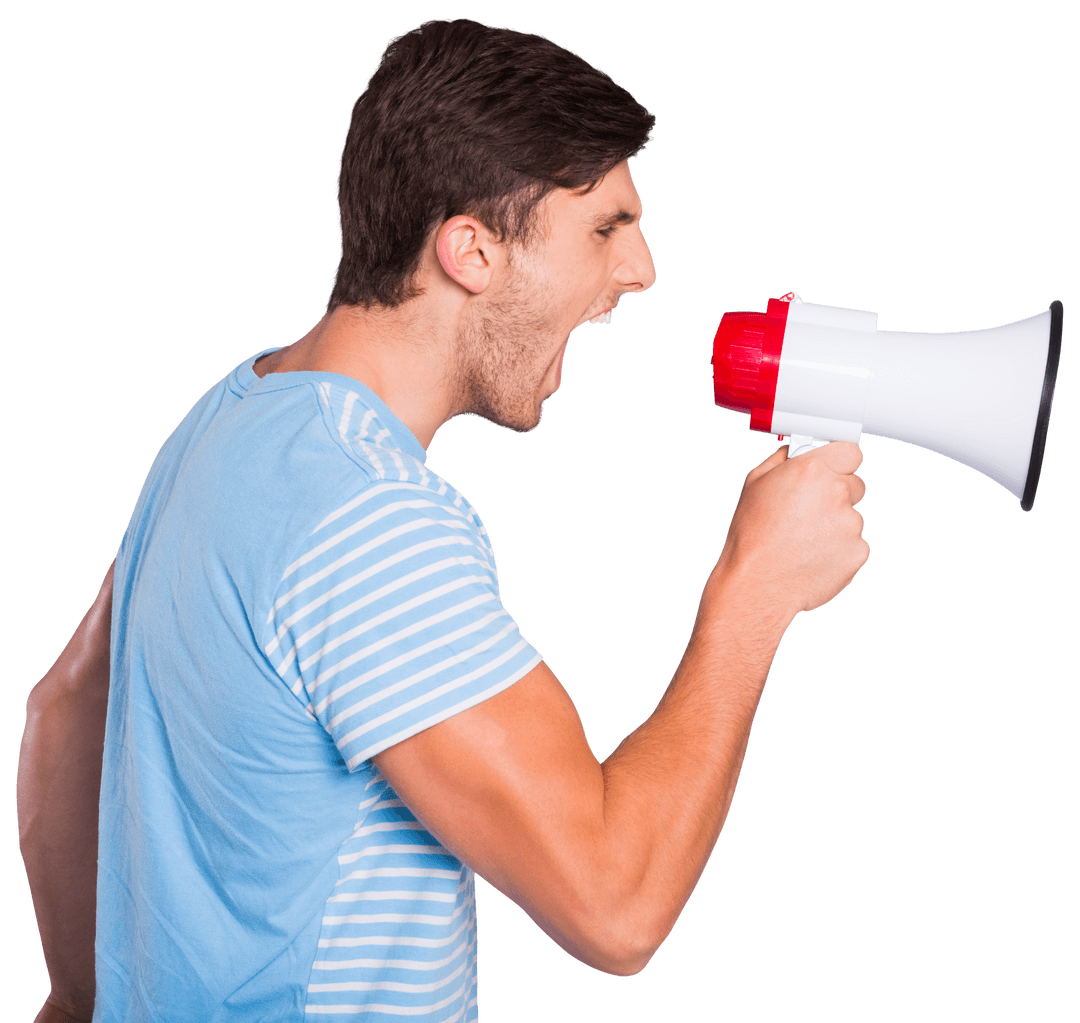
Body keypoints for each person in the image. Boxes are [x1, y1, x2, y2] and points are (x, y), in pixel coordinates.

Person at [17, 17, 869, 1023]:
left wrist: (77, 1002)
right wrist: (754, 592)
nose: (640, 271)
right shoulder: (370, 519)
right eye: (605, 226)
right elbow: (614, 905)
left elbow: (65, 708)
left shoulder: (235, 412)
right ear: (471, 248)